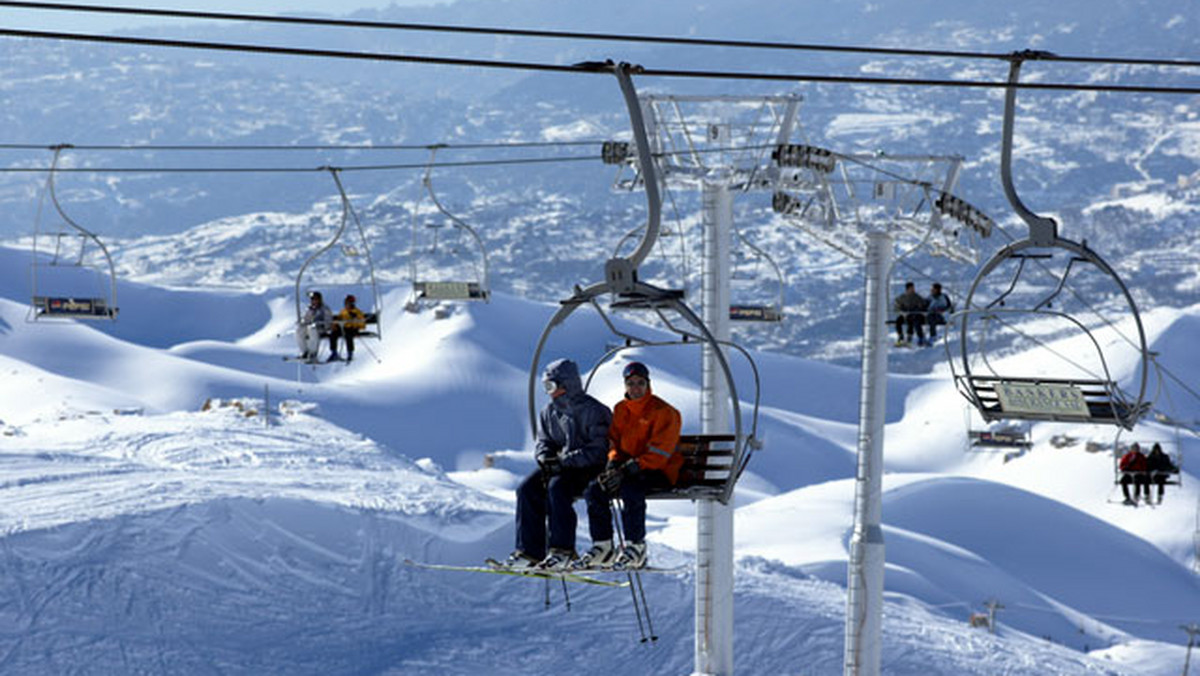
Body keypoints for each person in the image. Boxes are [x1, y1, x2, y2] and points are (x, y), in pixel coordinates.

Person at [504, 358, 612, 570]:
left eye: (551, 386)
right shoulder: (549, 412)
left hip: (591, 468)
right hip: (564, 467)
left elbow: (599, 449)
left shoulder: (594, 410)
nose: (548, 392)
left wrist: (564, 461)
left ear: (567, 384)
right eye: (546, 386)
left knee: (557, 488)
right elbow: (544, 441)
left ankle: (563, 550)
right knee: (527, 489)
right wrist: (546, 459)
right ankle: (529, 552)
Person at [577, 362, 682, 571]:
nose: (635, 388)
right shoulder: (621, 409)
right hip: (629, 469)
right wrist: (614, 462)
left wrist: (630, 468)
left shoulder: (664, 412)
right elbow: (614, 441)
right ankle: (603, 545)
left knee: (630, 488)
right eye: (631, 384)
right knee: (595, 489)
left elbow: (661, 452)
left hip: (659, 470)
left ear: (648, 384)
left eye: (640, 383)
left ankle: (636, 546)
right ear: (625, 386)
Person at [297, 291, 335, 363]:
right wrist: (302, 323)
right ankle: (305, 351)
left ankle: (312, 353)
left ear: (319, 300)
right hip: (310, 328)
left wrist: (322, 324)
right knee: (299, 330)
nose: (314, 301)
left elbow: (328, 320)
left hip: (321, 328)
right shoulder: (310, 309)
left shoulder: (324, 309)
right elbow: (306, 319)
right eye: (312, 299)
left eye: (315, 299)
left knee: (312, 329)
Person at [331, 294, 366, 363]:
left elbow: (362, 323)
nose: (347, 305)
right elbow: (338, 319)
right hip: (343, 328)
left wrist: (355, 322)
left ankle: (350, 353)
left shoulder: (357, 312)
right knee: (333, 334)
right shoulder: (343, 311)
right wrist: (335, 325)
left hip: (352, 329)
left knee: (348, 336)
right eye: (346, 303)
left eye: (349, 303)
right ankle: (334, 352)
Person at [893, 281, 929, 347]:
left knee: (912, 321)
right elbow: (897, 306)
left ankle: (910, 337)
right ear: (908, 289)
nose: (913, 290)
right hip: (904, 314)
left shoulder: (916, 297)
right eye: (911, 288)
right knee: (898, 321)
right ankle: (900, 337)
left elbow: (923, 304)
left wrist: (920, 308)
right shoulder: (902, 297)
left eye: (913, 288)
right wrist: (901, 312)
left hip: (914, 315)